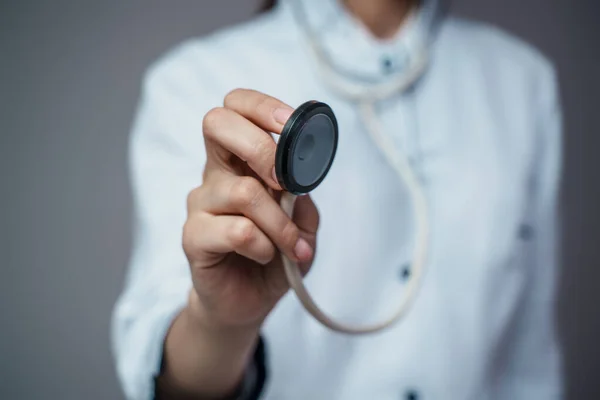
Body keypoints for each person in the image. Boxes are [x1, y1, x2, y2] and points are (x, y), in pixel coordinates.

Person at [111, 0, 563, 398]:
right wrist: (223, 325)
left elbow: (529, 364)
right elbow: (166, 382)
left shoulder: (523, 83)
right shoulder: (192, 81)